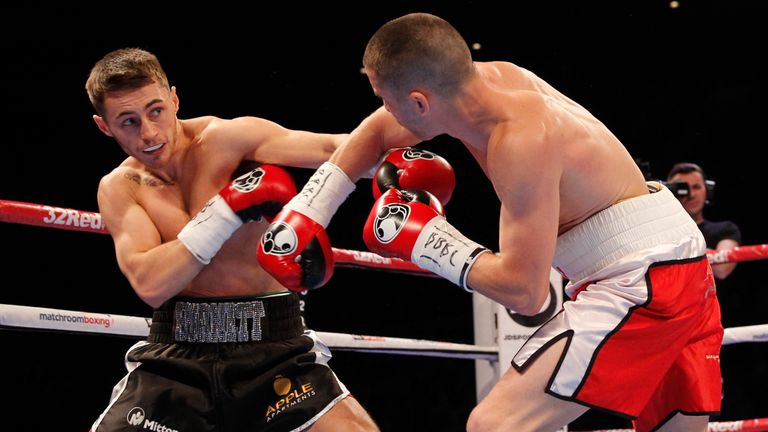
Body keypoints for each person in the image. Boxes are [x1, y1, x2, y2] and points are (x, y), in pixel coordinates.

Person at [258, 13, 723, 432]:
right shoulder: (488, 81)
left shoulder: (521, 141)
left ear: (419, 102)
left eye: (384, 97)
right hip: (668, 263)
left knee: (496, 424)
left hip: (643, 283)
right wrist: (309, 209)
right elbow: (377, 131)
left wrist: (428, 240)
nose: (383, 110)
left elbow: (526, 293)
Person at [85, 48, 379, 432]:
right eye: (128, 122)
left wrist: (396, 163)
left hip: (274, 347)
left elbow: (334, 149)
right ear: (104, 126)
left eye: (156, 111)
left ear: (174, 99)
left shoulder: (227, 139)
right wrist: (227, 210)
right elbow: (151, 283)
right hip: (175, 358)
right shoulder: (121, 187)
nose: (149, 133)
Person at [667, 162, 742, 280]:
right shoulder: (660, 233)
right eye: (683, 188)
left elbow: (722, 269)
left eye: (696, 187)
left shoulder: (726, 229)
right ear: (670, 192)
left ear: (707, 191)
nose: (691, 194)